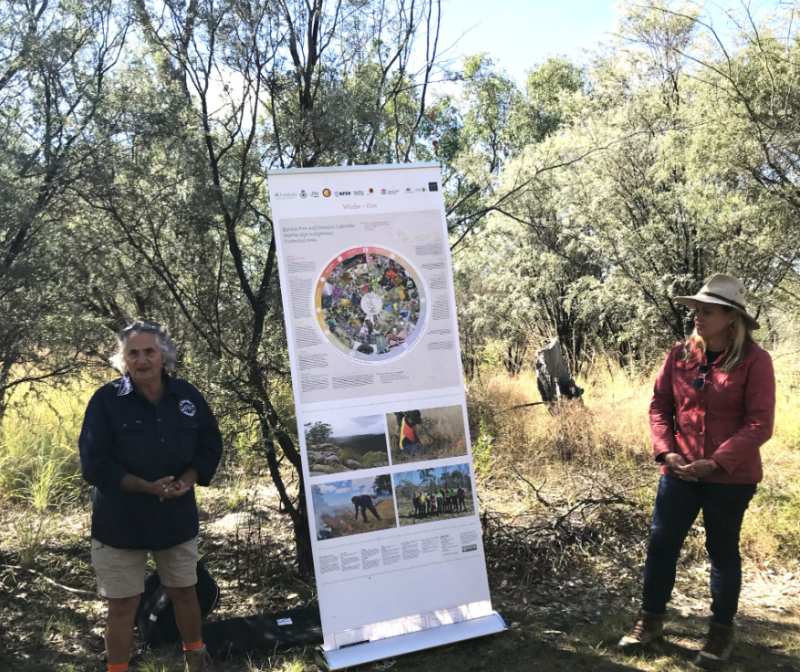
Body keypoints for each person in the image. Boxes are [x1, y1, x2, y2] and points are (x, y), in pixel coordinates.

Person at [617, 275, 775, 669]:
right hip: (679, 472)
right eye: (696, 310)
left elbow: (759, 423)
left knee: (722, 550)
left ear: (730, 316)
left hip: (730, 477)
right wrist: (666, 450)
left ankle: (720, 633)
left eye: (707, 311)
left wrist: (718, 461)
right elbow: (659, 407)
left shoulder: (756, 361)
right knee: (662, 543)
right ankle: (650, 620)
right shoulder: (679, 355)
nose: (697, 317)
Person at [79, 321, 223, 672]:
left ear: (164, 356)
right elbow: (94, 464)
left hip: (175, 519)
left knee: (185, 592)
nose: (142, 359)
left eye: (149, 351)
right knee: (123, 605)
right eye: (133, 352)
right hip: (120, 524)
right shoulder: (105, 401)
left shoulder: (187, 397)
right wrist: (147, 486)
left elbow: (210, 445)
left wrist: (187, 480)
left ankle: (195, 657)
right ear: (123, 359)